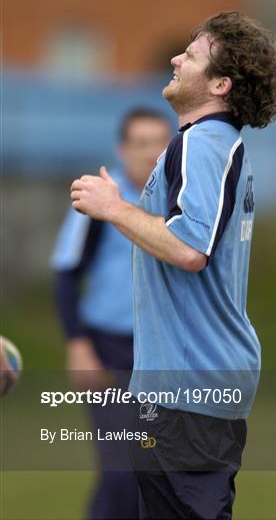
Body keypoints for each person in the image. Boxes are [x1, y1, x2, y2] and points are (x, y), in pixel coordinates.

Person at [70, 11, 276, 520]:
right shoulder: (211, 147)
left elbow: (190, 250)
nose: (175, 58)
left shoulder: (201, 145)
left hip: (190, 392)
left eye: (191, 55)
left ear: (219, 83)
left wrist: (114, 206)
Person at [51, 108, 172, 520]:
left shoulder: (183, 201)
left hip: (165, 357)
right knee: (122, 471)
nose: (151, 152)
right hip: (110, 351)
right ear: (123, 150)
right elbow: (66, 276)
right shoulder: (100, 198)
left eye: (160, 142)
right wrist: (78, 347)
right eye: (141, 143)